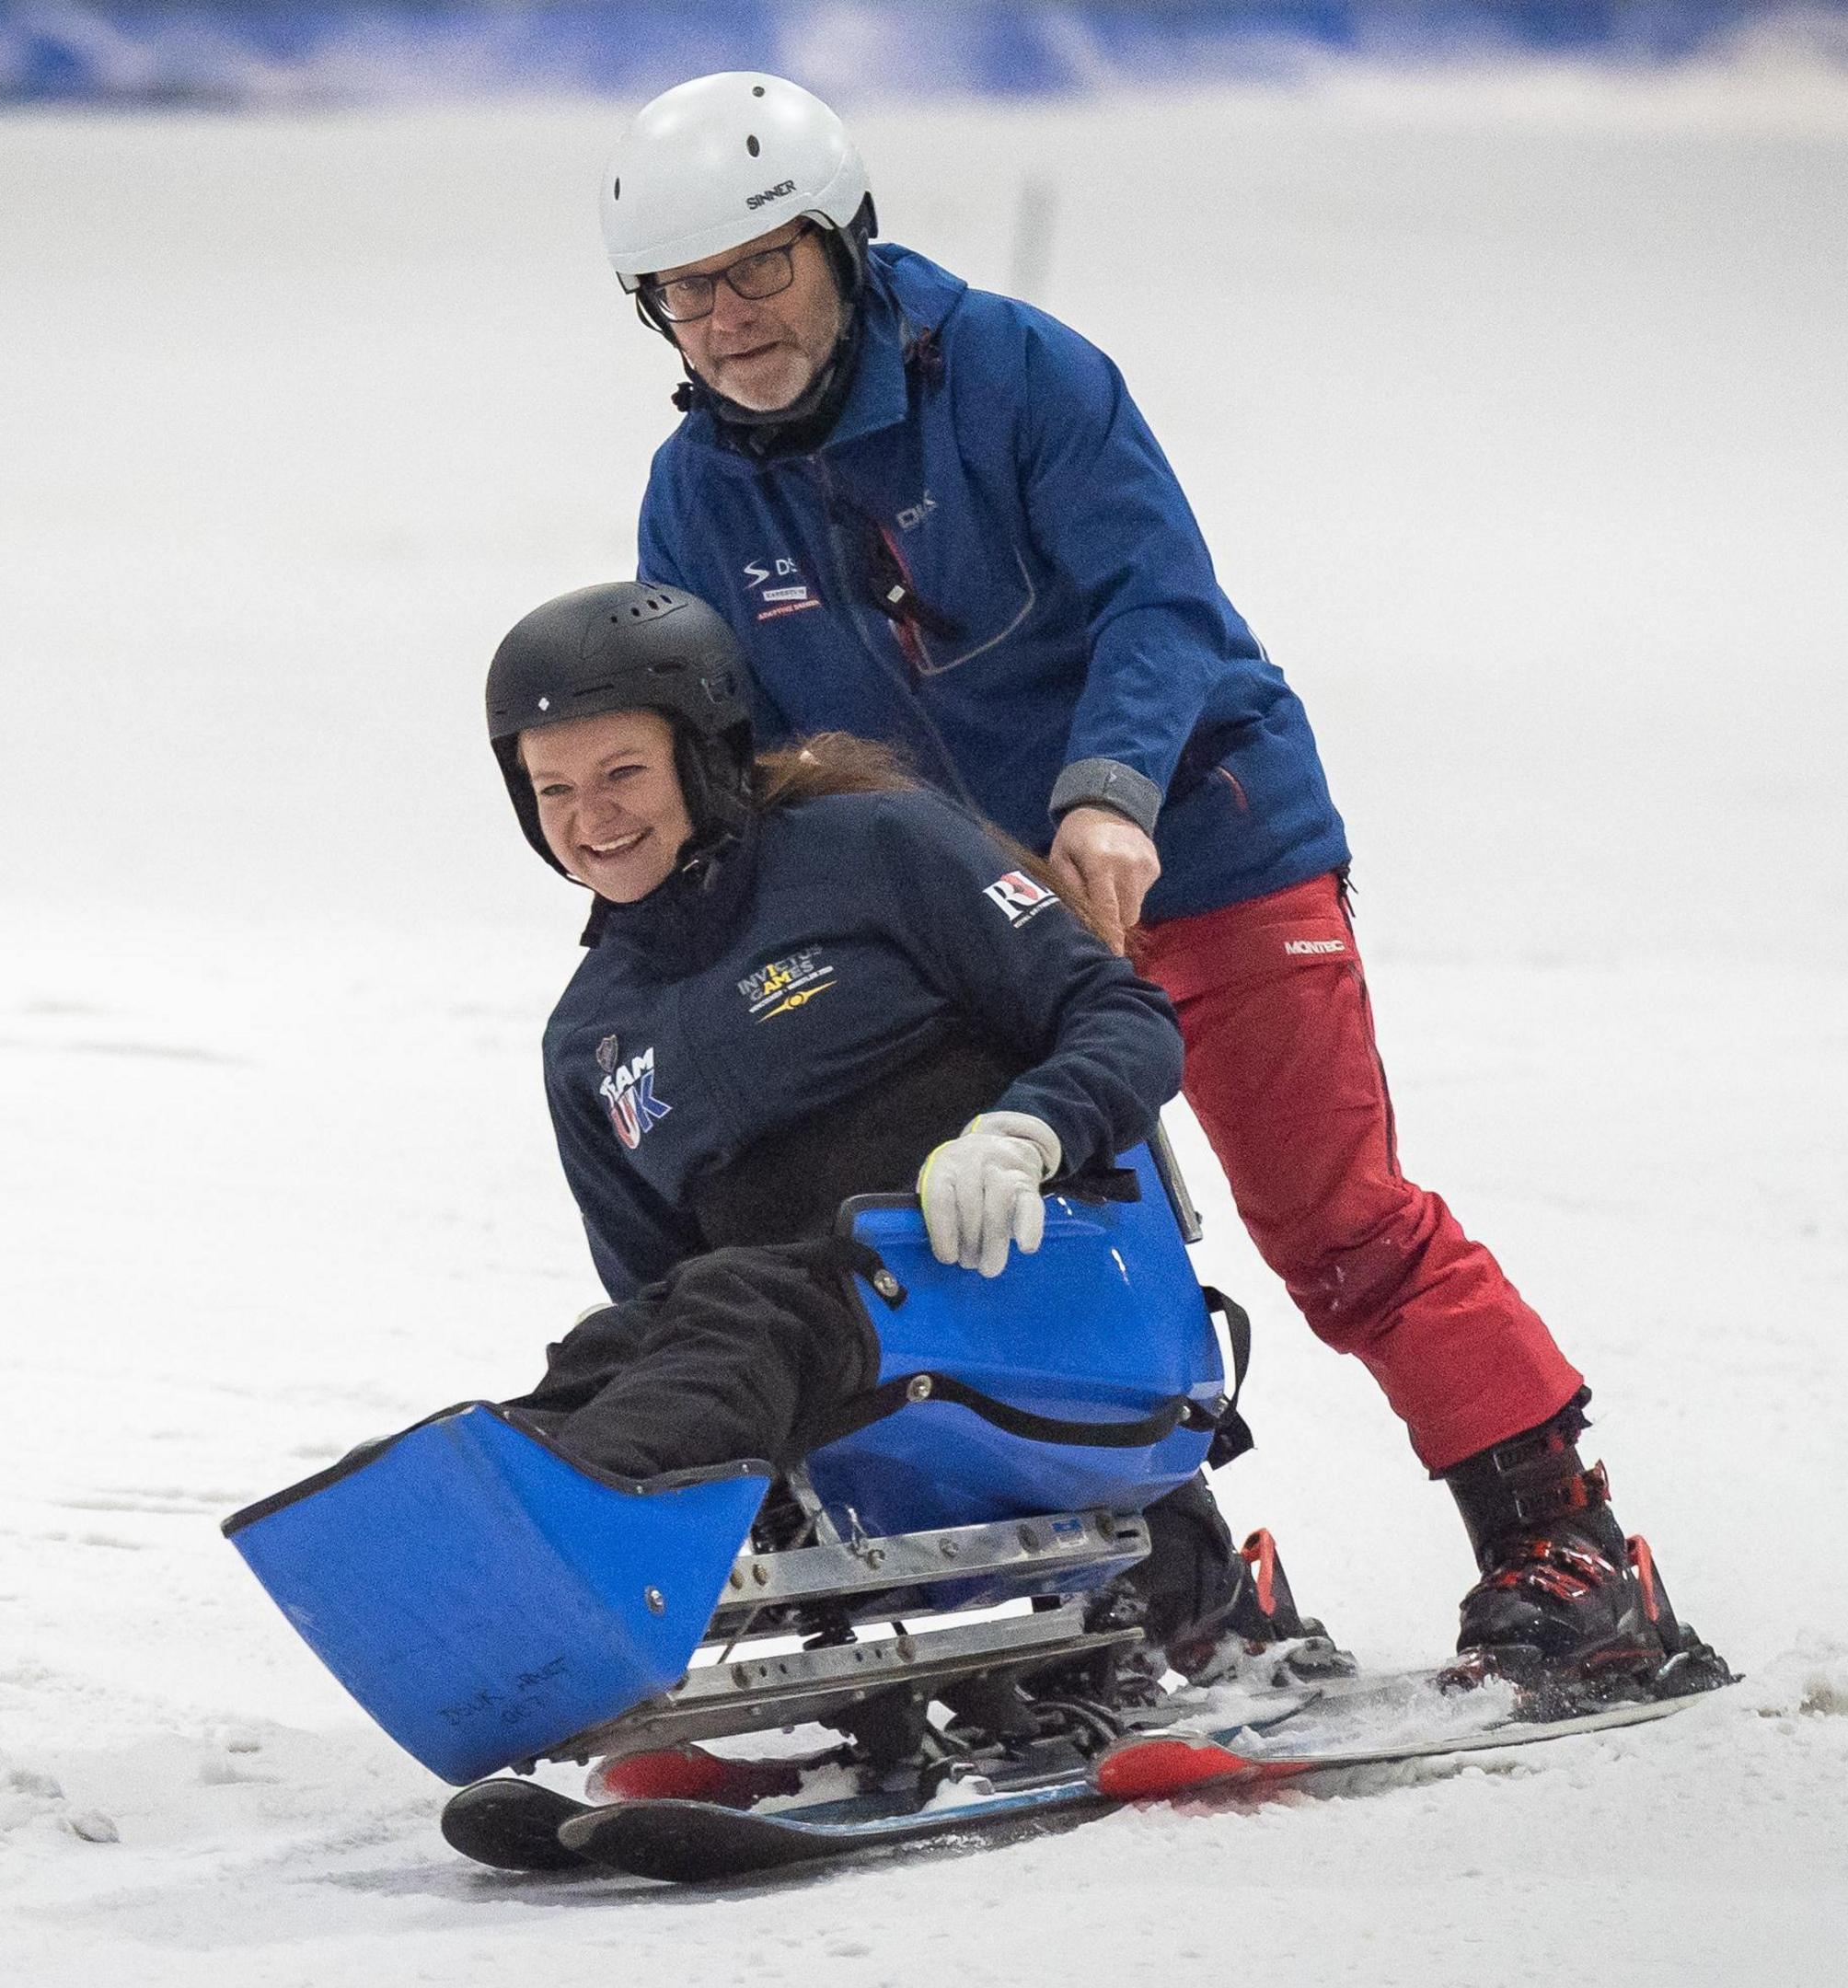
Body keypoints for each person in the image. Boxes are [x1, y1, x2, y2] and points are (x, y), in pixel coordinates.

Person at [593, 72, 1698, 1677]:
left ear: (842, 242)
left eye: (758, 265)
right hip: (968, 910)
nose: (728, 317)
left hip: (1211, 834)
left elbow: (1158, 602)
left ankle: (1569, 1551)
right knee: (1015, 1244)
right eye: (686, 293)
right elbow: (740, 765)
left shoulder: (1020, 372)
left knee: (1334, 1224)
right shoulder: (695, 495)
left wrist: (1111, 798)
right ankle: (1177, 1585)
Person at [480, 578, 1311, 1665]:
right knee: (620, 1350)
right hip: (818, 1352)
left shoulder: (874, 848)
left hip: (1026, 1288)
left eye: (624, 772)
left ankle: (561, 1582)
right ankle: (479, 1552)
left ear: (705, 752)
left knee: (740, 1310)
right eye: (553, 791)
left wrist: (1027, 1133)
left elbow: (1122, 1015)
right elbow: (654, 1292)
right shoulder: (587, 1037)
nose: (592, 820)